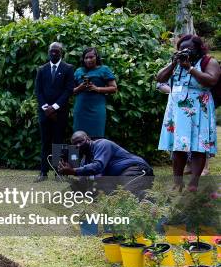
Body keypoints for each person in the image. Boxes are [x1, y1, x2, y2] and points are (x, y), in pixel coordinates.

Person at [157, 34, 219, 191]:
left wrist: (190, 69)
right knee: (178, 146)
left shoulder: (208, 61)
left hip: (199, 108)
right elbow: (160, 78)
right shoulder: (178, 62)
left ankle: (193, 183)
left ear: (199, 48)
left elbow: (211, 80)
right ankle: (177, 182)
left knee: (199, 145)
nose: (185, 51)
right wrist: (173, 64)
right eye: (181, 49)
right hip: (177, 109)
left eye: (189, 48)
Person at [59, 131, 154, 197]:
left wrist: (74, 171)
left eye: (80, 141)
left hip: (136, 169)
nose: (78, 145)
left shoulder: (102, 144)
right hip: (117, 176)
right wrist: (69, 179)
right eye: (75, 144)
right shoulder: (85, 160)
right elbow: (87, 181)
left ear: (88, 138)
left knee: (127, 196)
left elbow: (98, 167)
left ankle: (154, 199)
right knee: (97, 190)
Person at [34, 42, 75, 182]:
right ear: (48, 52)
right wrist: (46, 108)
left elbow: (68, 90)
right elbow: (38, 91)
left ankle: (58, 172)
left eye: (57, 51)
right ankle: (43, 173)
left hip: (60, 113)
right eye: (51, 51)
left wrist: (55, 107)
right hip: (44, 114)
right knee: (45, 143)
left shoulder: (68, 68)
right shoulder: (41, 69)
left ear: (61, 52)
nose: (54, 53)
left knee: (58, 143)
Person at [72, 47, 117, 138]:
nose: (88, 60)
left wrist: (97, 89)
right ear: (83, 59)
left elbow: (114, 88)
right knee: (78, 138)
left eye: (91, 57)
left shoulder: (104, 69)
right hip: (81, 109)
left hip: (96, 110)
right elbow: (70, 91)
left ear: (97, 57)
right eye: (86, 58)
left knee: (96, 138)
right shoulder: (78, 71)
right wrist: (80, 87)